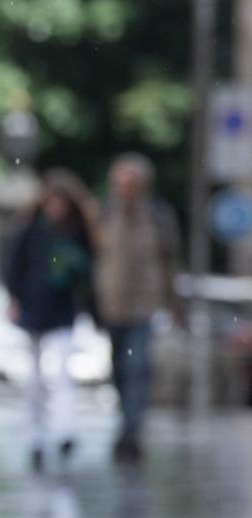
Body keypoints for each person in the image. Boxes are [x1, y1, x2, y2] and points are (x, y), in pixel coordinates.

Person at [4, 168, 99, 471]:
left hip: (62, 311)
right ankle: (35, 439)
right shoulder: (30, 229)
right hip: (33, 309)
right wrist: (15, 298)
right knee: (33, 380)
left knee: (61, 375)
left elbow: (89, 272)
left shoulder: (77, 232)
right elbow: (13, 265)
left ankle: (63, 432)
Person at [94, 153, 181, 463]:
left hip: (144, 306)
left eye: (130, 183)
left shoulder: (158, 215)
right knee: (118, 369)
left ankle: (131, 432)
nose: (125, 189)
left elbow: (170, 262)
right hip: (111, 305)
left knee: (137, 368)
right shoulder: (104, 214)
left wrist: (173, 305)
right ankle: (126, 422)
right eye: (120, 183)